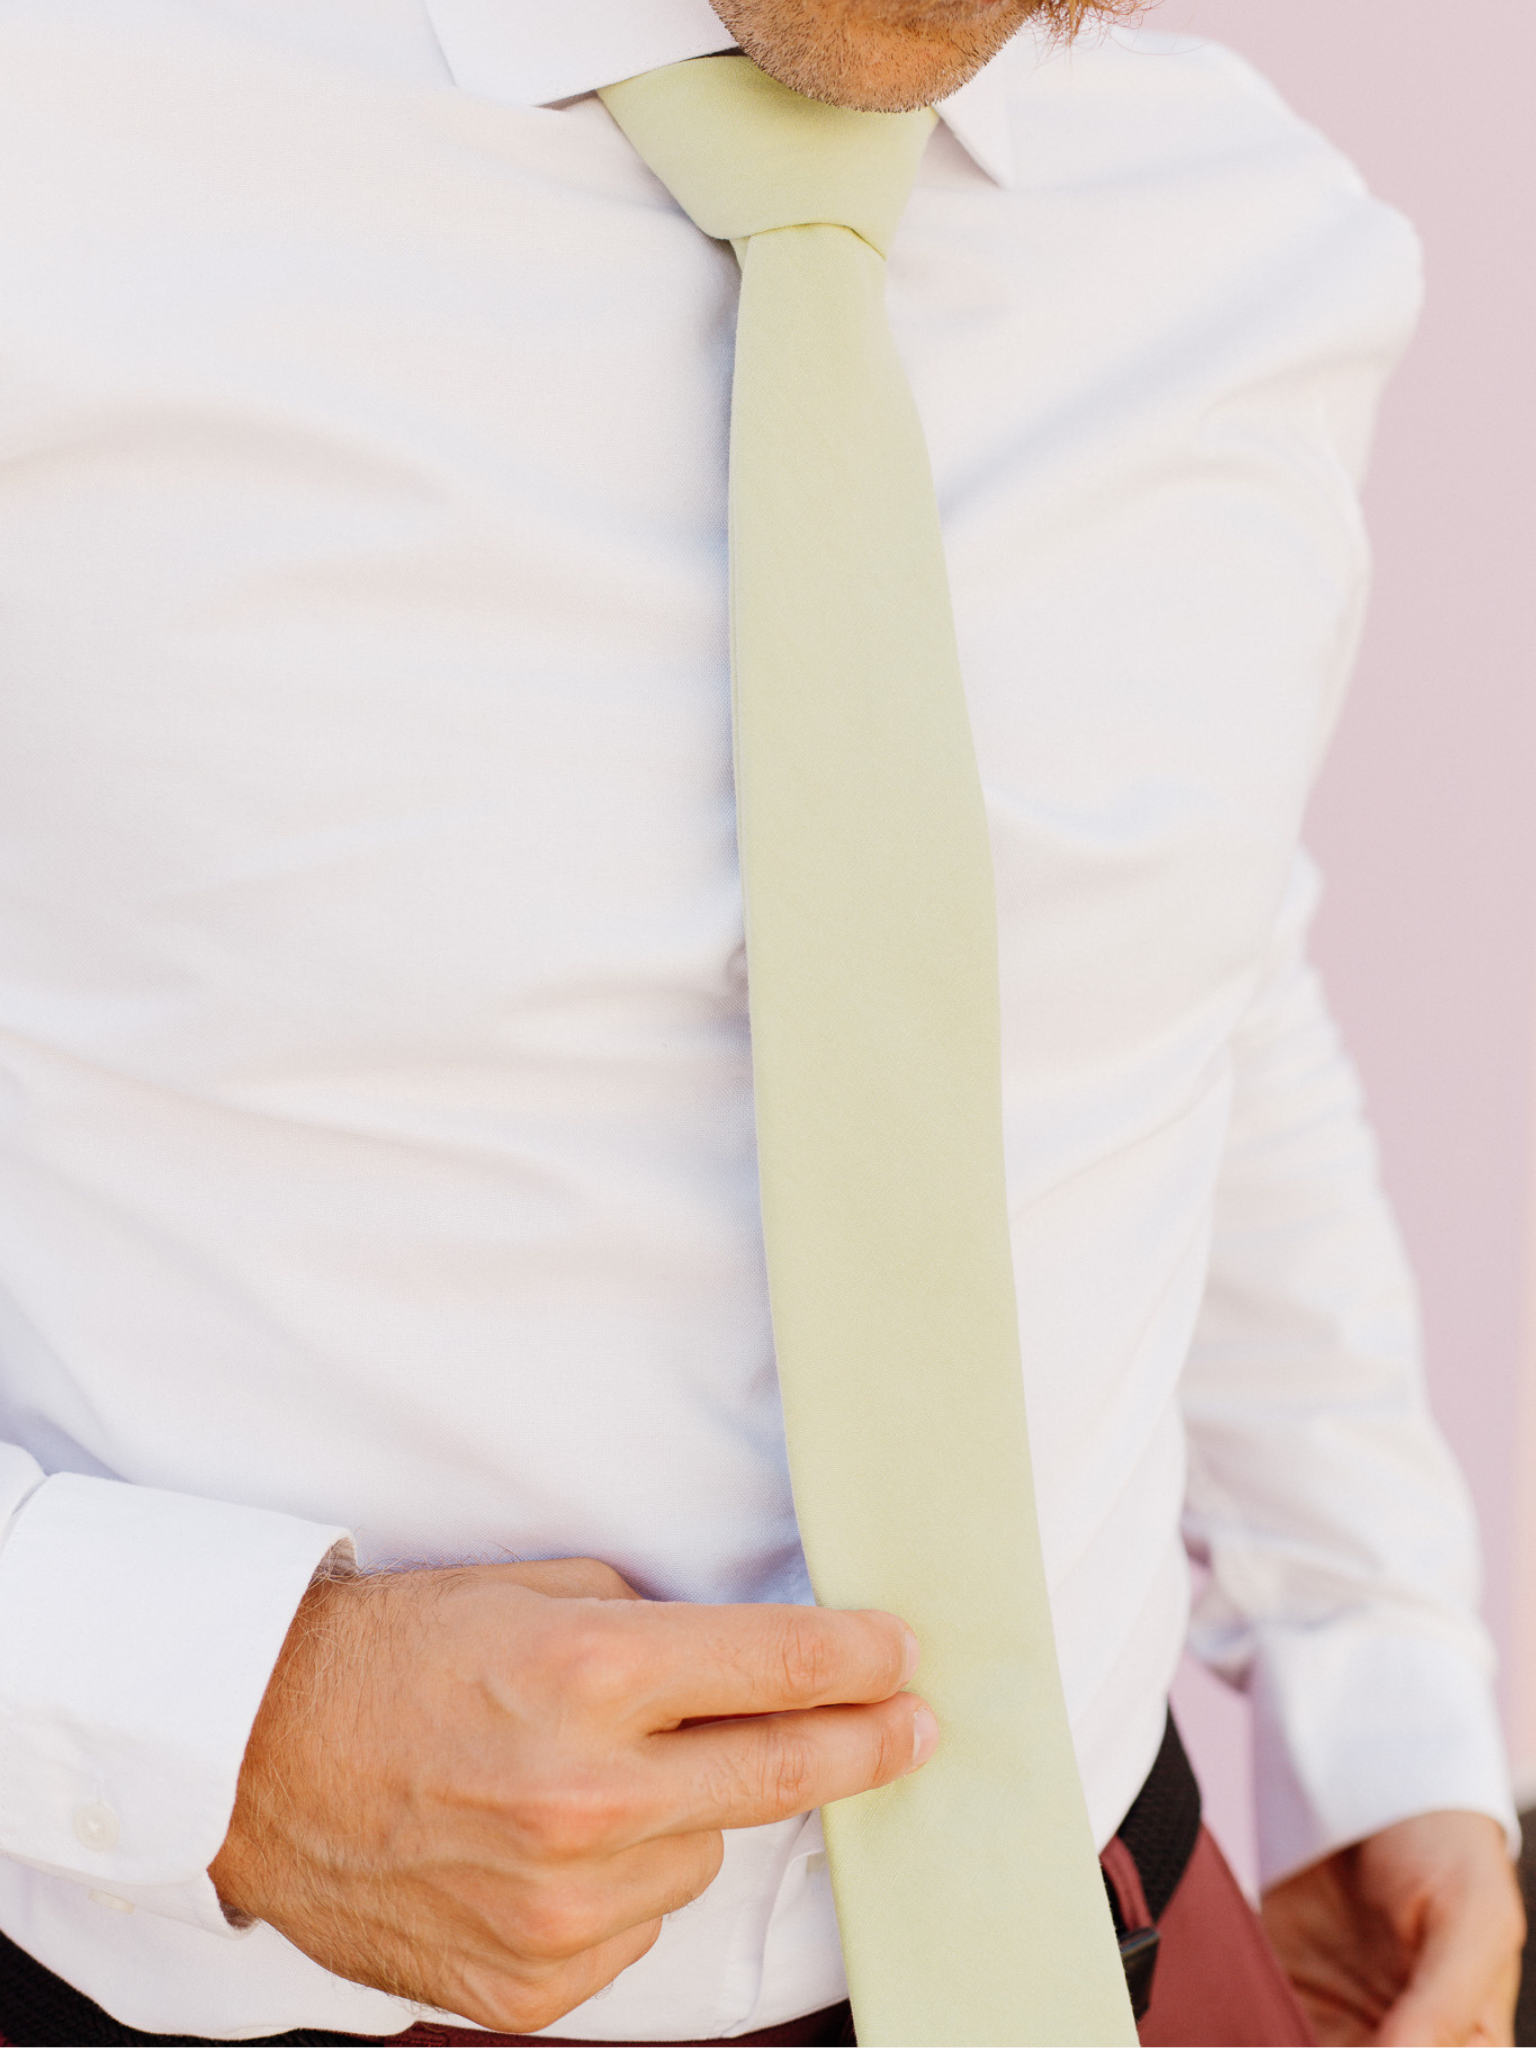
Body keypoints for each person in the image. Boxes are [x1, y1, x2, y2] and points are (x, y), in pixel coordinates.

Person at [0, 0, 1523, 2042]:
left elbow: (1193, 962)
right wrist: (204, 1717)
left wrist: (1378, 1678)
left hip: (1127, 1952)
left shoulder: (1248, 233)